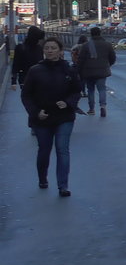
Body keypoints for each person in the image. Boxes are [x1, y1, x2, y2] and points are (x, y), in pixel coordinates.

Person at [21, 36, 83, 197]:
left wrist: (69, 102)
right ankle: (43, 178)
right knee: (44, 150)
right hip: (42, 118)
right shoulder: (35, 70)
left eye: (53, 48)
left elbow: (77, 90)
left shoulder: (69, 69)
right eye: (47, 48)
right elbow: (26, 95)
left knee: (62, 150)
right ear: (43, 51)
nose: (50, 51)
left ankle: (63, 185)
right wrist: (35, 112)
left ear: (60, 51)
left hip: (64, 116)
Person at [77, 25, 117, 117]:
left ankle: (91, 109)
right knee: (102, 89)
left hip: (89, 72)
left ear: (91, 35)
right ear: (100, 33)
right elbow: (113, 58)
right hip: (102, 71)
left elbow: (81, 60)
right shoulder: (107, 45)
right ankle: (103, 106)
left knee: (90, 90)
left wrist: (79, 71)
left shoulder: (86, 46)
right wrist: (107, 65)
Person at [10, 25, 45, 90]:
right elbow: (15, 65)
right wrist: (13, 81)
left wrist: (13, 82)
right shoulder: (21, 48)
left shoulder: (38, 48)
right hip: (27, 79)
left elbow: (15, 65)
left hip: (31, 79)